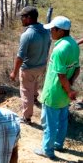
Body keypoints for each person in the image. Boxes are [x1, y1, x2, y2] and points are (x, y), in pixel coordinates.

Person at [34, 16, 80, 160]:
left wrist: (69, 90)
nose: (51, 32)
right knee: (62, 121)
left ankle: (47, 150)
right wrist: (70, 87)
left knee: (49, 124)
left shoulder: (59, 49)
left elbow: (61, 76)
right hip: (64, 94)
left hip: (54, 93)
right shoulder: (73, 45)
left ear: (60, 31)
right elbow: (77, 69)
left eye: (52, 30)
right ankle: (58, 144)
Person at [10, 6, 51, 124]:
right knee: (35, 82)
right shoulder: (45, 30)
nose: (21, 19)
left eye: (22, 17)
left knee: (25, 90)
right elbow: (48, 47)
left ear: (28, 18)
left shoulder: (27, 35)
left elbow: (20, 57)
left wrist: (14, 72)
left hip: (28, 68)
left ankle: (26, 117)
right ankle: (35, 98)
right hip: (41, 65)